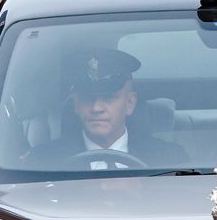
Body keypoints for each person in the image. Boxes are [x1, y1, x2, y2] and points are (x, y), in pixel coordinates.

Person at [26, 48, 189, 169]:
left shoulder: (170, 158)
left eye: (108, 98)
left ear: (130, 103)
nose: (97, 107)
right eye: (88, 98)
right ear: (75, 104)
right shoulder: (43, 162)